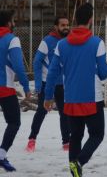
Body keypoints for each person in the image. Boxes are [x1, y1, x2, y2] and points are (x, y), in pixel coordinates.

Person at [44, 3, 107, 177]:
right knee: (97, 134)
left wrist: (48, 96)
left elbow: (52, 73)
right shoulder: (97, 43)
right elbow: (103, 74)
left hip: (70, 98)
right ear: (91, 20)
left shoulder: (62, 44)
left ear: (75, 20)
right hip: (92, 98)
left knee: (76, 136)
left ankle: (75, 172)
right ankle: (79, 162)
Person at [26, 17, 71, 153]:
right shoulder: (46, 41)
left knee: (65, 113)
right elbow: (37, 62)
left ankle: (66, 142)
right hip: (47, 83)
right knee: (41, 111)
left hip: (63, 85)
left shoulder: (69, 41)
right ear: (55, 26)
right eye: (63, 25)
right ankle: (32, 139)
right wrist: (38, 84)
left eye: (67, 25)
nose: (66, 27)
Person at [0, 10, 31, 171]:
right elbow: (19, 66)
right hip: (4, 87)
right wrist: (26, 87)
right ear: (8, 23)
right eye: (13, 21)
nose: (14, 24)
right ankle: (1, 154)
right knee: (14, 122)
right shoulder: (12, 39)